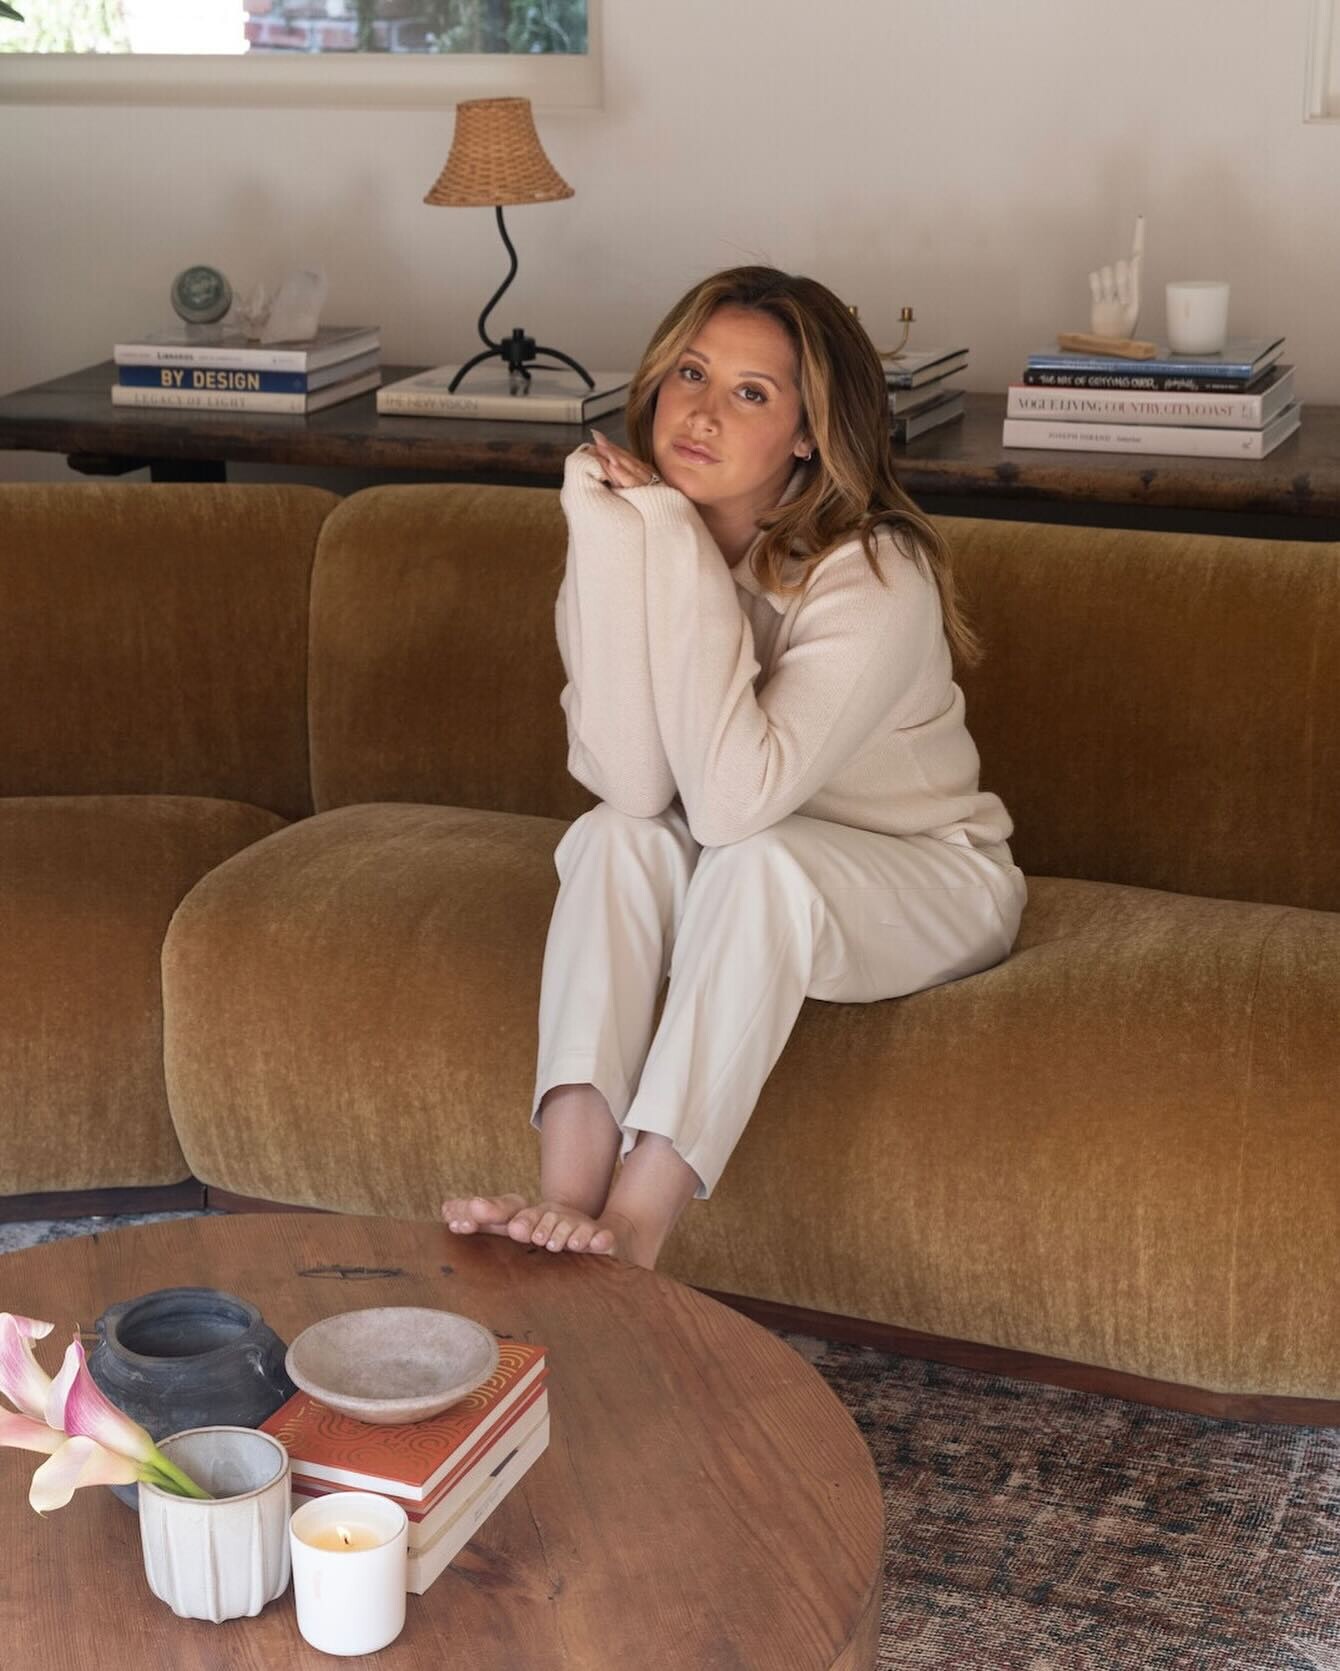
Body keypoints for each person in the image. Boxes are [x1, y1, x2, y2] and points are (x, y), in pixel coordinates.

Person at [442, 265, 1026, 1269]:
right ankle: (565, 1203)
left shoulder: (875, 571)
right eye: (690, 373)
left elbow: (727, 805)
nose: (701, 412)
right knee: (614, 837)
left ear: (807, 433)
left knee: (761, 863)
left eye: (750, 393)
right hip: (741, 859)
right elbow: (631, 783)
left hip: (926, 876)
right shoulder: (628, 532)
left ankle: (633, 1231)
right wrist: (605, 533)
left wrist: (669, 537)